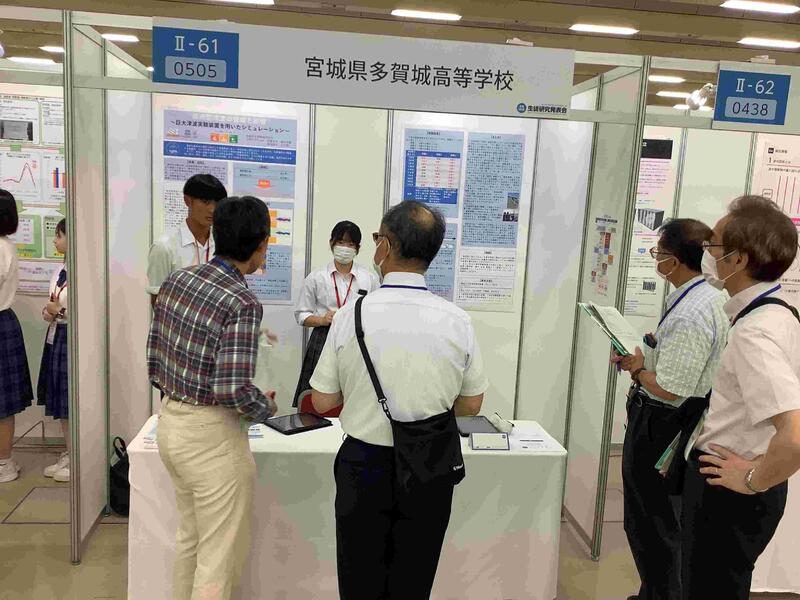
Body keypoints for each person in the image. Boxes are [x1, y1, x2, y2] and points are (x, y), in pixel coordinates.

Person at [310, 200, 488, 600]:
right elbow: (471, 405)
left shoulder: (350, 315)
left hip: (364, 464)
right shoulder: (457, 320)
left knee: (359, 582)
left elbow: (322, 401)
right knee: (413, 581)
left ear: (385, 246)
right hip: (430, 462)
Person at [147, 196, 278, 600]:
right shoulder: (242, 301)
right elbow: (231, 389)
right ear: (261, 245)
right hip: (211, 438)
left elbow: (154, 355)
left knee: (190, 538)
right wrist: (266, 407)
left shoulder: (178, 280)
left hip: (171, 423)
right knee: (217, 557)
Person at [682, 195, 800, 600]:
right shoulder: (779, 311)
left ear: (738, 259)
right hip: (739, 486)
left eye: (713, 244)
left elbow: (795, 436)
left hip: (729, 493)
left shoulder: (756, 332)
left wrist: (751, 481)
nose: (707, 252)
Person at [613, 219, 728, 600]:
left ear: (674, 261)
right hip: (675, 420)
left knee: (650, 522)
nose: (656, 260)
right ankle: (654, 591)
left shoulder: (690, 313)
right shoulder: (708, 297)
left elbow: (671, 389)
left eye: (658, 253)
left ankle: (662, 594)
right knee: (660, 520)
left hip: (664, 424)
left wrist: (638, 370)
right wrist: (645, 358)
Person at [292, 221, 379, 407]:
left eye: (350, 244)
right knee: (317, 394)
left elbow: (376, 313)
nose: (345, 248)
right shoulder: (316, 277)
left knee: (354, 393)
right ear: (331, 243)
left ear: (358, 248)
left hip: (357, 338)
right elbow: (301, 315)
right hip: (323, 336)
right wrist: (322, 320)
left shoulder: (369, 279)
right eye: (340, 242)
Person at [146, 174, 228, 305]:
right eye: (205, 202)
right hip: (178, 317)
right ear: (188, 201)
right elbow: (158, 300)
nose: (212, 209)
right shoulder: (164, 247)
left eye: (217, 203)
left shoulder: (225, 244)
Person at [0, 190, 34, 483]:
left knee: (2, 402)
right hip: (4, 323)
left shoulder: (1, 248)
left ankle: (4, 463)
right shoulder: (6, 246)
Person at [38, 219, 71, 482]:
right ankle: (70, 452)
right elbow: (52, 304)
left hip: (72, 338)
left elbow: (80, 311)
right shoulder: (61, 270)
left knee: (71, 401)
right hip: (56, 335)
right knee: (61, 399)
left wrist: (58, 312)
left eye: (59, 235)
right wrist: (50, 313)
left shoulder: (84, 272)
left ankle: (77, 455)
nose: (55, 240)